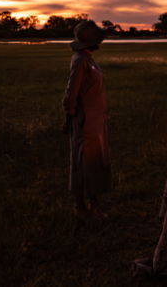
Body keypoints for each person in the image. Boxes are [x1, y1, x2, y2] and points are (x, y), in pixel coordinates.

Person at [62, 20, 111, 221]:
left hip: (95, 121)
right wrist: (70, 113)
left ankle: (90, 206)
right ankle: (84, 208)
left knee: (94, 162)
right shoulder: (81, 60)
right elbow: (71, 93)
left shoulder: (87, 58)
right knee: (84, 163)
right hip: (85, 121)